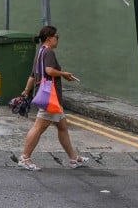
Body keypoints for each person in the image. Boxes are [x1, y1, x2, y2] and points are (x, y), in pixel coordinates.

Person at [17, 25, 89, 171]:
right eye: (57, 36)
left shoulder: (40, 52)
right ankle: (25, 157)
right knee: (38, 127)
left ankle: (73, 159)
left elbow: (32, 75)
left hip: (49, 97)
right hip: (50, 97)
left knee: (62, 127)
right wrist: (64, 74)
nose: (58, 39)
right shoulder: (48, 52)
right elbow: (49, 70)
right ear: (49, 38)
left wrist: (26, 91)